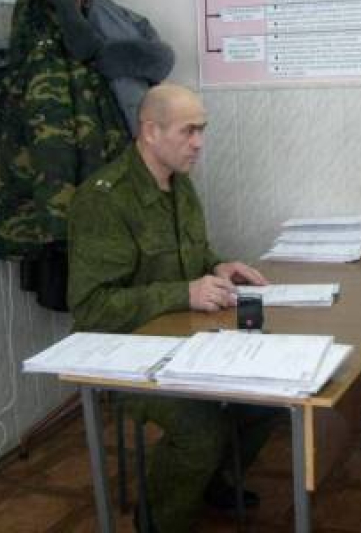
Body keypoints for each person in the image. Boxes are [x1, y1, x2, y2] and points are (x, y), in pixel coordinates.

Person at [68, 83, 274, 532]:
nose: (199, 142)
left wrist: (219, 266)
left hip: (188, 339)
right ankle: (157, 521)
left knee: (269, 399)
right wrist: (184, 293)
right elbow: (91, 308)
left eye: (203, 130)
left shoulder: (180, 184)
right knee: (200, 430)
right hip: (127, 353)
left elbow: (191, 260)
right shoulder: (104, 200)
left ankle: (214, 480)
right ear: (150, 131)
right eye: (189, 131)